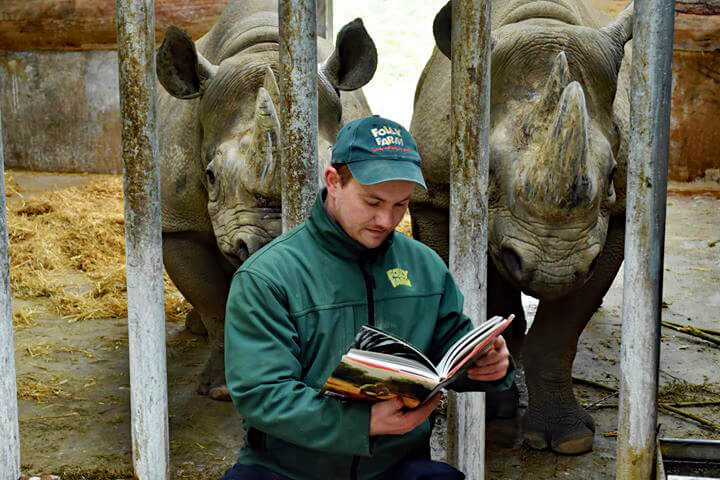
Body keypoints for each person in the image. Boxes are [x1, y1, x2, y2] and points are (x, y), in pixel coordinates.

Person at [222, 115, 515, 480]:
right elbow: (260, 393)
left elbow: (449, 350)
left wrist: (486, 367)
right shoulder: (268, 276)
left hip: (393, 465)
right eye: (372, 201)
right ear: (333, 182)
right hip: (287, 468)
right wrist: (362, 422)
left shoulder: (423, 265)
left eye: (400, 204)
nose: (385, 219)